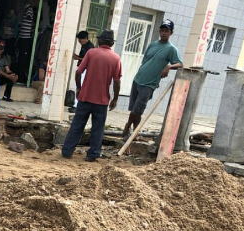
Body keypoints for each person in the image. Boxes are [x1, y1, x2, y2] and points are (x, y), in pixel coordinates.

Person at [61, 29, 121, 162]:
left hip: (85, 97)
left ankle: (67, 150)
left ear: (99, 41)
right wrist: (115, 98)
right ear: (111, 43)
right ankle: (93, 154)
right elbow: (117, 81)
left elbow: (78, 72)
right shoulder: (115, 58)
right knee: (98, 128)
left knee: (77, 124)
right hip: (102, 100)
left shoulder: (91, 53)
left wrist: (79, 88)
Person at [122, 19, 183, 140]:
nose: (164, 33)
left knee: (138, 109)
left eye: (166, 31)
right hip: (138, 79)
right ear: (159, 31)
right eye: (162, 30)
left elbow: (180, 64)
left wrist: (169, 67)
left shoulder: (171, 49)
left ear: (171, 33)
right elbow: (145, 61)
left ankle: (127, 126)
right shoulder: (152, 45)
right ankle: (135, 133)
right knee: (135, 109)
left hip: (149, 84)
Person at [71, 30, 95, 110]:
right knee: (77, 86)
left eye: (80, 39)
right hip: (80, 67)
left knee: (80, 86)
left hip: (85, 69)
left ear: (85, 38)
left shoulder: (90, 47)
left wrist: (78, 58)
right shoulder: (84, 45)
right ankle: (75, 104)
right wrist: (77, 56)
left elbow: (88, 59)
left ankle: (77, 105)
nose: (79, 41)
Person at [16, 4, 35, 83]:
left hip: (25, 39)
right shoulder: (26, 10)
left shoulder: (29, 10)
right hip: (22, 38)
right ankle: (20, 77)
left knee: (23, 60)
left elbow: (29, 17)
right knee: (21, 59)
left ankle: (22, 78)